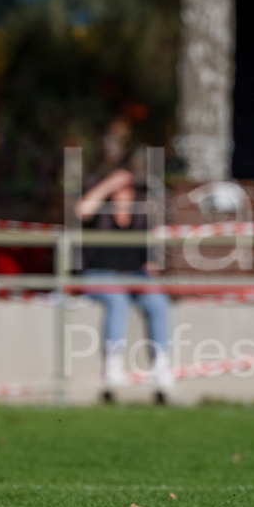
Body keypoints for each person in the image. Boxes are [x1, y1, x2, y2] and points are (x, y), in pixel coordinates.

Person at [75, 155, 173, 404]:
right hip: (100, 275)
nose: (125, 193)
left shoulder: (141, 214)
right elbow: (81, 210)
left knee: (158, 301)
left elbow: (149, 258)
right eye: (120, 188)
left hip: (134, 277)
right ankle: (112, 366)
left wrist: (151, 266)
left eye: (128, 187)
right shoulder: (100, 212)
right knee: (117, 301)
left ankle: (162, 369)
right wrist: (109, 184)